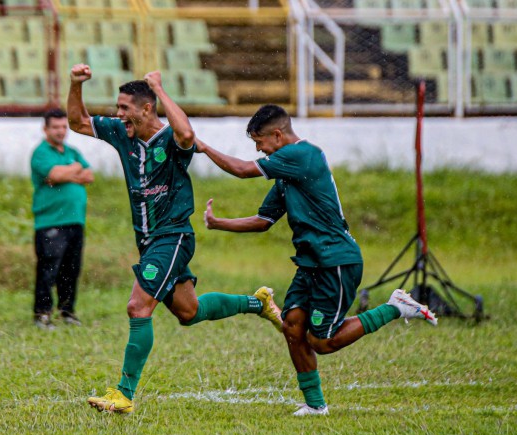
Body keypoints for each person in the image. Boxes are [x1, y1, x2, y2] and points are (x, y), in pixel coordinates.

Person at [66, 64, 283, 414]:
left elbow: (186, 133)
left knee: (138, 307)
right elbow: (77, 121)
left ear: (147, 108)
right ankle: (259, 303)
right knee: (189, 311)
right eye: (117, 108)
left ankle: (124, 393)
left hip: (174, 236)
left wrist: (160, 89)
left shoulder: (169, 138)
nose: (118, 114)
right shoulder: (122, 132)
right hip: (150, 242)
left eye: (124, 108)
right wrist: (76, 84)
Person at [197, 104, 438, 416]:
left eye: (260, 143)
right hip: (311, 263)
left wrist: (201, 146)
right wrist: (219, 223)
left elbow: (243, 170)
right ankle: (315, 405)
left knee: (322, 342)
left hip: (334, 261)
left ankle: (395, 308)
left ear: (277, 134)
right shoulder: (286, 173)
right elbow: (263, 220)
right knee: (293, 327)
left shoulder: (302, 155)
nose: (258, 150)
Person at [30, 108, 94, 331]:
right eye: (55, 127)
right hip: (50, 222)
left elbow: (89, 175)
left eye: (64, 127)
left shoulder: (72, 150)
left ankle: (67, 311)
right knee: (49, 269)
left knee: (71, 269)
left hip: (75, 220)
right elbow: (55, 175)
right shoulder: (41, 153)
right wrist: (74, 169)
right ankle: (42, 314)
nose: (60, 131)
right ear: (45, 128)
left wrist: (67, 172)